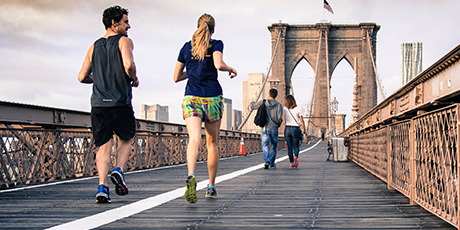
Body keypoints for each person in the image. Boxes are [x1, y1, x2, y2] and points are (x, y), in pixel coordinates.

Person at [77, 5, 139, 203]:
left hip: (98, 104)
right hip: (120, 101)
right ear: (114, 23)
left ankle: (102, 187)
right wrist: (134, 78)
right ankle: (119, 170)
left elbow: (81, 77)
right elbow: (128, 65)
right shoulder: (124, 41)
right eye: (125, 22)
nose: (129, 26)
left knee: (103, 147)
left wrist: (99, 79)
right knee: (126, 138)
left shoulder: (93, 46)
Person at [173, 13, 237, 203]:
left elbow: (176, 77)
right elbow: (218, 64)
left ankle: (191, 174)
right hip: (212, 98)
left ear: (198, 26)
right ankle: (210, 186)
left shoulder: (186, 47)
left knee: (194, 139)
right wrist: (231, 69)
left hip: (191, 97)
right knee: (212, 143)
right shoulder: (216, 43)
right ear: (213, 29)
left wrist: (192, 72)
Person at [250, 88, 283, 169]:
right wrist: (277, 124)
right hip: (274, 128)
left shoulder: (263, 102)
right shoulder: (279, 105)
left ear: (269, 94)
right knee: (273, 146)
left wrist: (252, 102)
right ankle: (272, 163)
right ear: (276, 95)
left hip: (264, 128)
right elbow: (279, 118)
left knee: (264, 145)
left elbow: (253, 107)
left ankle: (267, 161)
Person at [284, 95, 306, 168]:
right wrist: (304, 129)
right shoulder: (297, 109)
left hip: (287, 128)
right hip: (295, 129)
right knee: (296, 146)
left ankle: (291, 163)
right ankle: (295, 156)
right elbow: (301, 120)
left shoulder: (285, 109)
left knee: (289, 147)